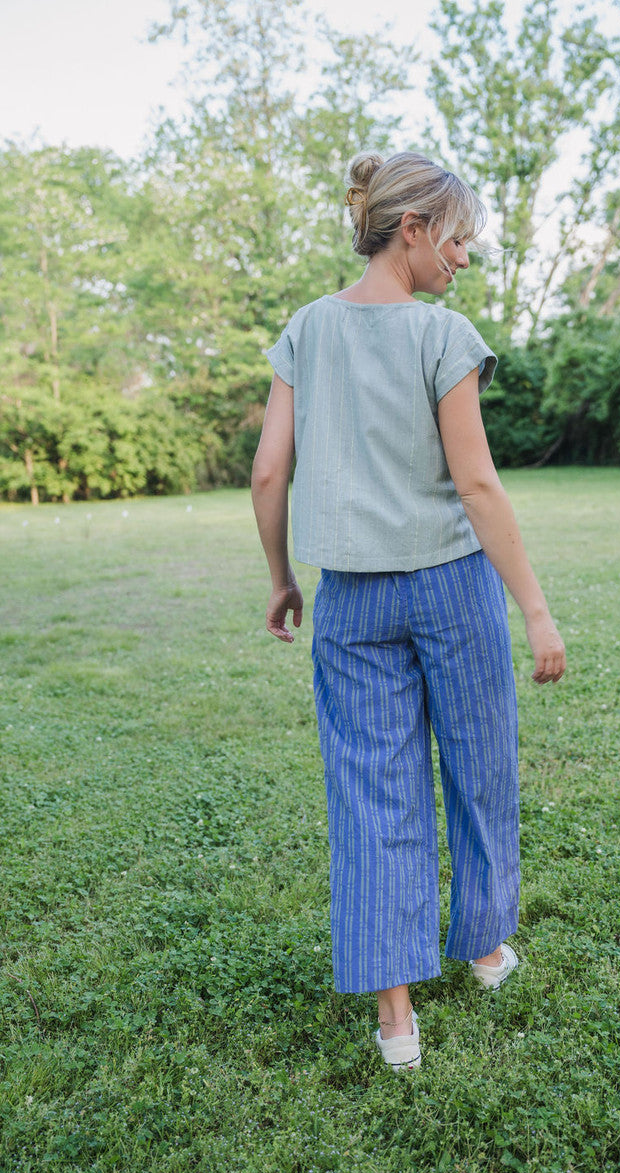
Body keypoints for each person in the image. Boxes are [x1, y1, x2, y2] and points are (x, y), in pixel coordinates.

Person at [251, 152, 565, 1071]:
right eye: (459, 238)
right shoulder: (440, 335)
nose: (464, 259)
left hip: (348, 596)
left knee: (370, 788)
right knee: (477, 765)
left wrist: (281, 577)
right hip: (451, 585)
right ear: (415, 230)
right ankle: (481, 944)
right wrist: (537, 612)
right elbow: (475, 480)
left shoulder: (304, 330)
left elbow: (270, 472)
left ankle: (396, 1016)